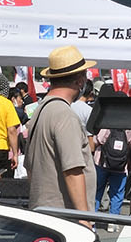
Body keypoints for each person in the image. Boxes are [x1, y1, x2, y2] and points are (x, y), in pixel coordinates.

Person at [24, 46, 93, 212]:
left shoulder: (41, 109)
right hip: (64, 214)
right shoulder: (64, 115)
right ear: (80, 80)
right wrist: (84, 217)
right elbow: (73, 169)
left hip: (45, 209)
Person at [91, 83, 131, 215]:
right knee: (117, 193)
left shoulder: (108, 117)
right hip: (121, 164)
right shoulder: (130, 121)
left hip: (102, 161)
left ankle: (92, 220)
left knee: (98, 190)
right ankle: (113, 222)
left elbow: (98, 140)